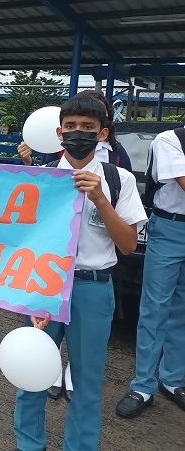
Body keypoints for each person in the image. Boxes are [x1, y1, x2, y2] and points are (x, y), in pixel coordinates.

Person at [13, 93, 146, 451]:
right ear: (59, 132)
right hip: (45, 286)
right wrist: (32, 298)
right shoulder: (40, 179)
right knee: (32, 376)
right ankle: (28, 444)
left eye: (87, 128)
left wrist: (101, 199)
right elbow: (24, 241)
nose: (78, 133)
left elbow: (128, 245)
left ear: (102, 134)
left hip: (93, 289)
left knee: (87, 385)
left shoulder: (119, 181)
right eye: (70, 127)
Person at [115, 127, 185, 419]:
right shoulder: (171, 139)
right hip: (171, 228)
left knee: (181, 308)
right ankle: (143, 385)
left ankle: (172, 379)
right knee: (155, 307)